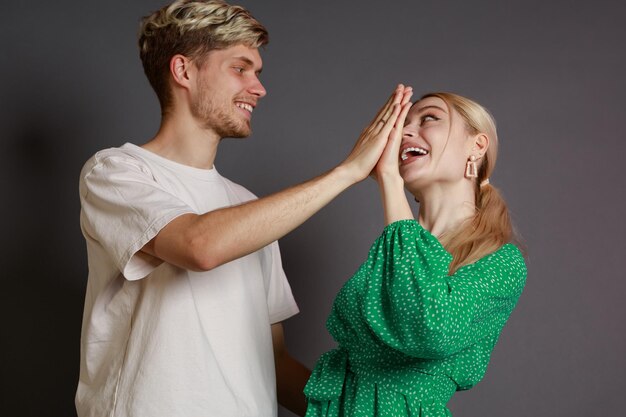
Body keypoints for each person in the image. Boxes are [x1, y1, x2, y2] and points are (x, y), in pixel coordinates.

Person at [75, 0, 412, 416]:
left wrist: (364, 410)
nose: (259, 87)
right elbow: (200, 246)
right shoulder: (115, 172)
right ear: (183, 71)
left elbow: (273, 363)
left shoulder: (250, 208)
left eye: (258, 72)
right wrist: (346, 173)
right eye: (240, 68)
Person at [304, 92, 527, 416]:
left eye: (429, 118)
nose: (405, 132)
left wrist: (390, 180)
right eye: (403, 124)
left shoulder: (502, 261)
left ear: (477, 146)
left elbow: (428, 327)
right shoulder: (396, 250)